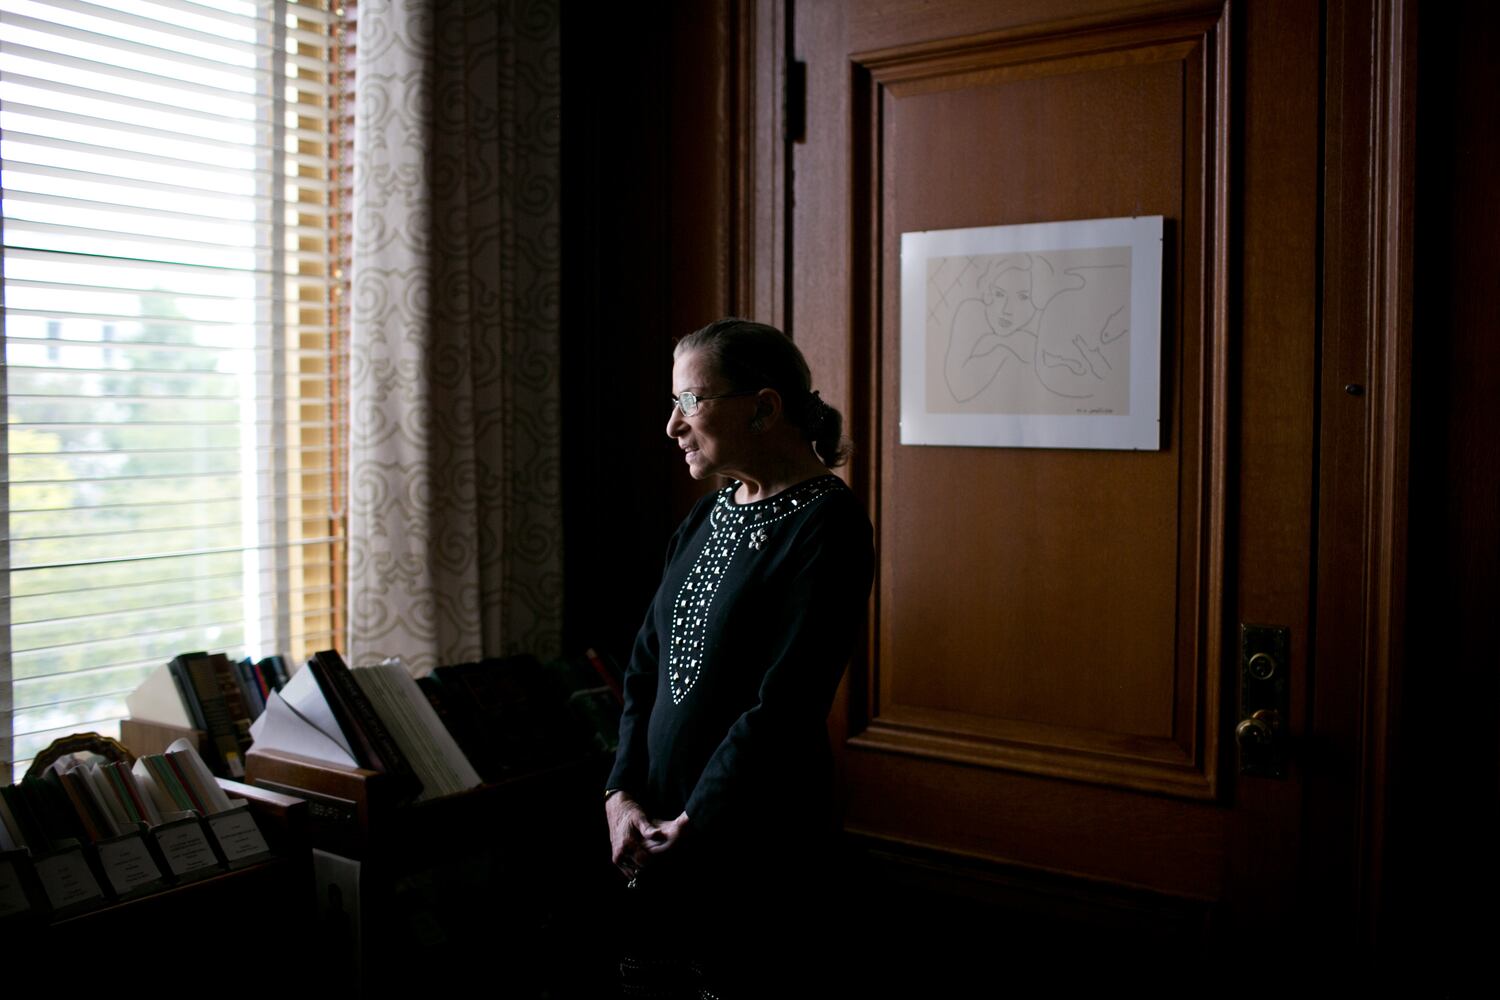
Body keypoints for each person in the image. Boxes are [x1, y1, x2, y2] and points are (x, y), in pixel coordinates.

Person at [604, 318, 874, 996]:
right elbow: (643, 668)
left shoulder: (828, 524)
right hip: (654, 830)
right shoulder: (709, 514)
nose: (672, 425)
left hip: (752, 839)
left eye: (689, 401)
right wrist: (619, 794)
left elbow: (786, 702)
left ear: (764, 407)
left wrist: (694, 823)